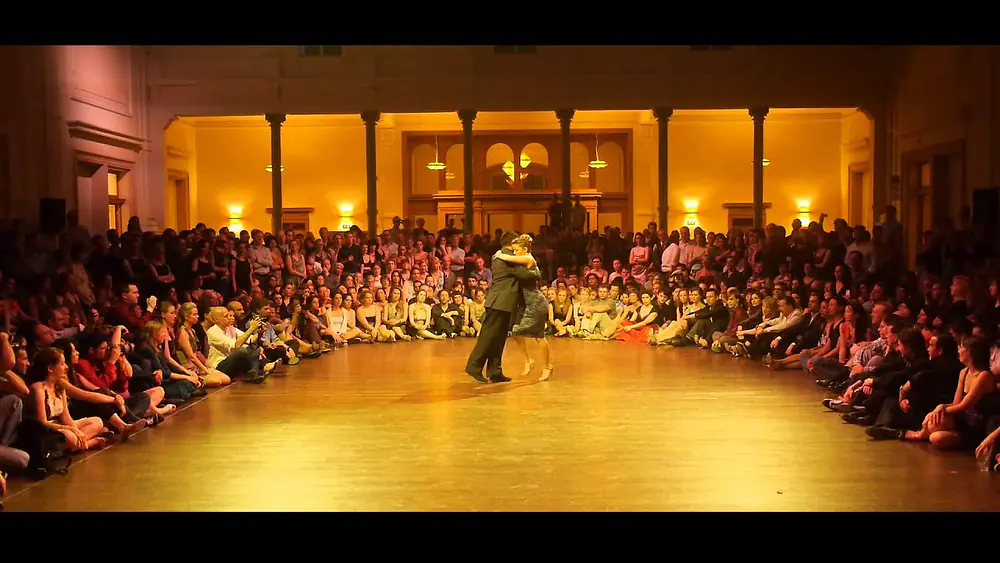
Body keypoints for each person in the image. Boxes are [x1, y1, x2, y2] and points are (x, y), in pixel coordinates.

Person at [464, 231, 540, 383]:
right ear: (512, 243)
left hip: (502, 303)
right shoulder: (509, 259)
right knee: (488, 336)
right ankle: (474, 366)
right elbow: (527, 275)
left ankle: (495, 371)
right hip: (499, 302)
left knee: (498, 339)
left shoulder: (499, 255)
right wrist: (536, 270)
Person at [492, 234, 553, 381]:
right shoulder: (522, 260)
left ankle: (547, 367)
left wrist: (500, 254)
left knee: (538, 336)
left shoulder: (528, 258)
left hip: (536, 303)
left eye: (516, 250)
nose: (514, 253)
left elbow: (508, 259)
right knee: (515, 332)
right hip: (526, 304)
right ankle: (528, 360)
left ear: (524, 249)